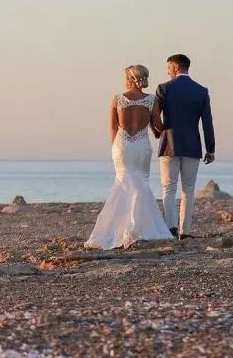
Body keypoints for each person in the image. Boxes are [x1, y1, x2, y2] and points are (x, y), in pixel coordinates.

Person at [86, 65, 174, 249]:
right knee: (141, 184)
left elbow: (112, 128)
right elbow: (158, 126)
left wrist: (116, 147)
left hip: (122, 145)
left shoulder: (117, 99)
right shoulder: (152, 100)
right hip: (142, 145)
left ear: (130, 78)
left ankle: (113, 230)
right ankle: (140, 227)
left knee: (122, 183)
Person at [151, 54, 215, 240]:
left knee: (168, 189)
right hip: (192, 146)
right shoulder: (201, 91)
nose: (167, 70)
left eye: (168, 67)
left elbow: (154, 116)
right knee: (188, 190)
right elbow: (207, 123)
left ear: (176, 67)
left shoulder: (163, 88)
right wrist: (210, 148)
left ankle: (170, 229)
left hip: (168, 145)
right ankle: (185, 233)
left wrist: (160, 132)